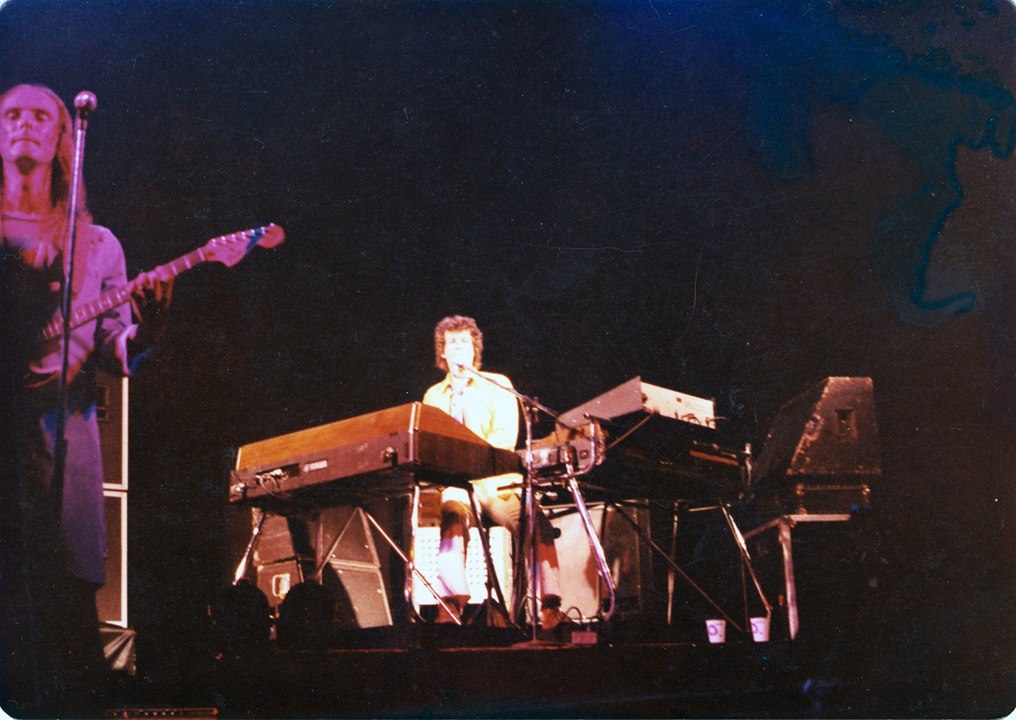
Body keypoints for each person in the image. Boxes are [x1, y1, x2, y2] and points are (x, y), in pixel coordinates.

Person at [0, 83, 173, 714]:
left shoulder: (99, 247)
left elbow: (115, 351)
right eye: (10, 114)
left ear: (60, 139)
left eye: (38, 116)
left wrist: (149, 327)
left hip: (62, 453)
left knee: (67, 625)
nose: (23, 123)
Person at [422, 315, 568, 630]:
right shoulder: (433, 396)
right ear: (442, 351)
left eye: (464, 342)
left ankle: (551, 608)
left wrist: (469, 460)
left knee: (534, 521)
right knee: (452, 513)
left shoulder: (497, 384)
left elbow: (503, 439)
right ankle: (450, 606)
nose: (458, 348)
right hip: (456, 482)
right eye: (452, 343)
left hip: (494, 482)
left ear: (474, 349)